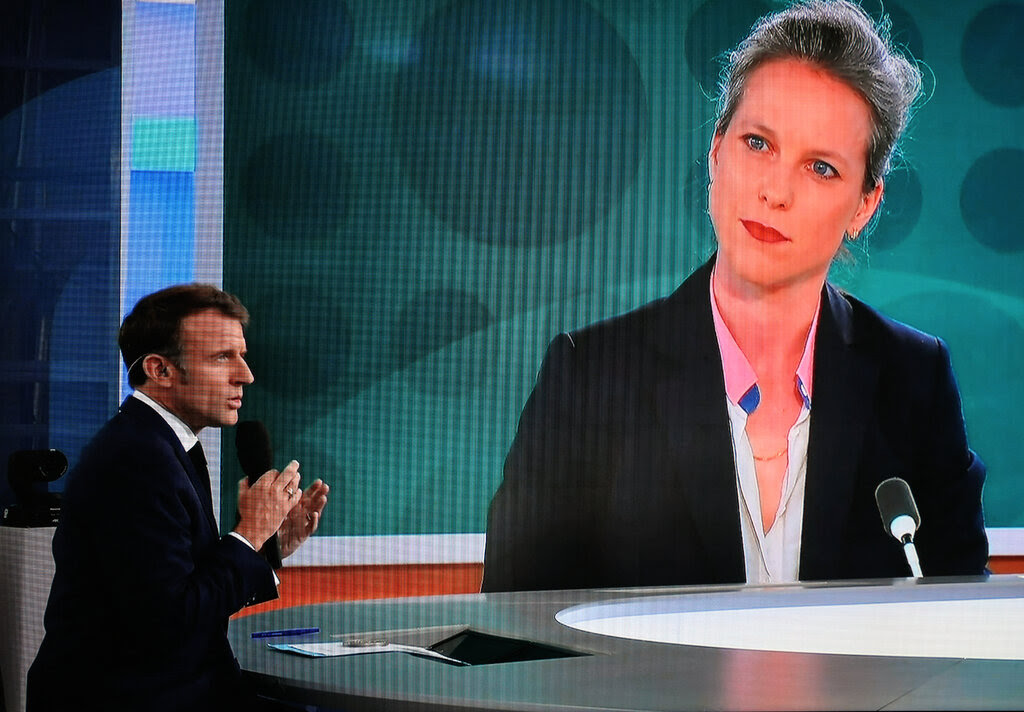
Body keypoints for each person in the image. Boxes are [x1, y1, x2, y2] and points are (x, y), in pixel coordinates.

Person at [482, 0, 987, 592]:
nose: (775, 190)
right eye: (758, 143)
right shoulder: (592, 378)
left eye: (820, 167)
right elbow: (513, 630)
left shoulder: (914, 382)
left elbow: (956, 619)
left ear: (865, 205)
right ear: (717, 151)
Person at [27, 284, 330, 711]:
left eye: (241, 355)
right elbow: (170, 621)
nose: (246, 374)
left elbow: (184, 582)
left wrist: (267, 544)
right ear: (160, 370)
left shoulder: (162, 443)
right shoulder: (136, 461)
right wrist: (249, 533)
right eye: (223, 357)